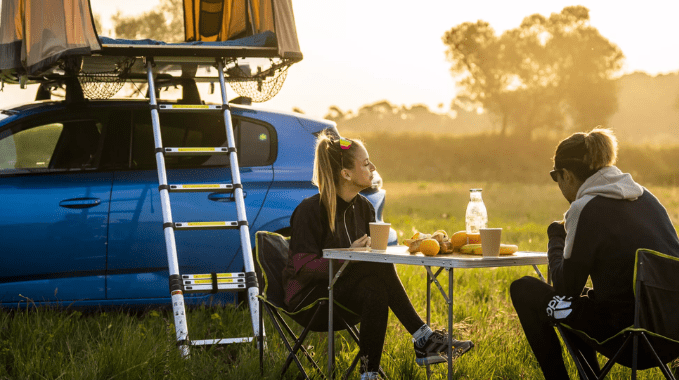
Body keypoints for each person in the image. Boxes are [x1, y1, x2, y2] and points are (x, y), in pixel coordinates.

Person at [282, 131, 473, 379]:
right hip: (310, 299)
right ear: (346, 174)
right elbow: (304, 268)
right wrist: (349, 256)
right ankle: (423, 338)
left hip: (343, 293)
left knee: (375, 286)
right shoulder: (309, 210)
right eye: (365, 163)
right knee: (373, 266)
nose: (373, 167)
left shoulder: (364, 207)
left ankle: (368, 375)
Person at [510, 128, 679, 379]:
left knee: (524, 289)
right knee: (581, 305)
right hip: (671, 334)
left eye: (556, 177)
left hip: (631, 337)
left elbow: (565, 289)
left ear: (566, 175)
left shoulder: (585, 208)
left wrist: (556, 238)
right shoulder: (648, 198)